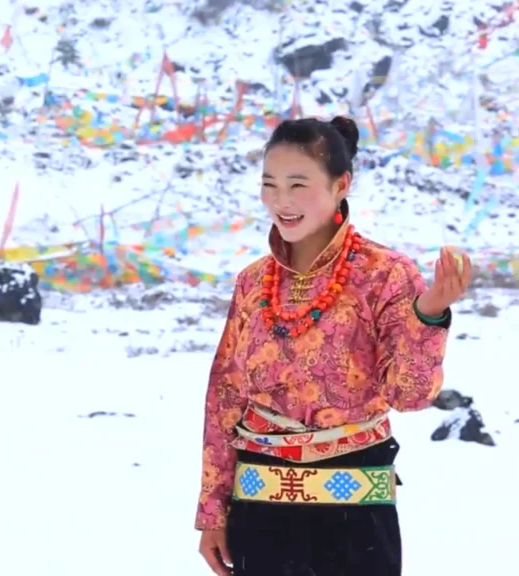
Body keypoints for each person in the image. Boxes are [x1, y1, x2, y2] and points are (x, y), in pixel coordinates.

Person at [195, 116, 473, 576]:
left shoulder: (386, 274)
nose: (281, 201)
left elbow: (410, 394)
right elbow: (225, 398)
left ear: (341, 184)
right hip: (258, 514)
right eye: (270, 184)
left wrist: (428, 315)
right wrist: (212, 513)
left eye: (297, 184)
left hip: (354, 518)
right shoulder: (251, 283)